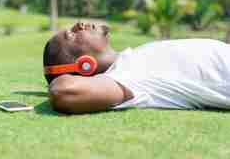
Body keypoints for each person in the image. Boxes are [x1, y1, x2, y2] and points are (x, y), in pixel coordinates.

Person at [43, 22, 230, 114]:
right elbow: (63, 91)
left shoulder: (130, 61)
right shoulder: (126, 77)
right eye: (71, 35)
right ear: (85, 65)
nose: (79, 25)